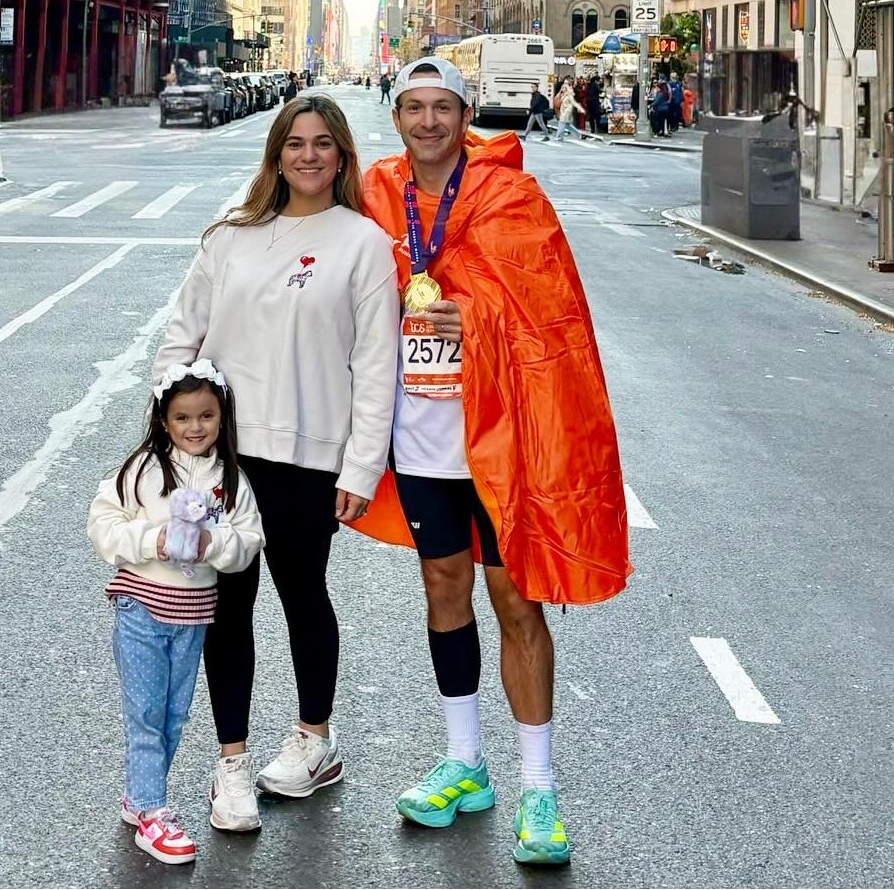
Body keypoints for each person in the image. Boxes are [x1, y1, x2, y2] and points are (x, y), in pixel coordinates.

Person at [356, 57, 631, 867]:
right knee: (443, 585)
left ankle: (538, 788)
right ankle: (464, 763)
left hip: (504, 437)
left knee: (515, 599)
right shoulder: (374, 193)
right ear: (397, 115)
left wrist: (467, 311)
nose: (430, 122)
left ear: (465, 114)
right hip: (418, 437)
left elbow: (550, 312)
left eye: (444, 108)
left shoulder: (512, 195)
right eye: (415, 108)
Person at [152, 94, 400, 833]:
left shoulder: (363, 243)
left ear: (343, 155)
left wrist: (360, 468)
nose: (309, 155)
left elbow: (376, 365)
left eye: (324, 143)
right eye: (295, 143)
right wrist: (176, 432)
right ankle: (231, 763)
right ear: (275, 154)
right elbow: (179, 338)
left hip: (308, 458)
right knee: (226, 609)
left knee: (303, 596)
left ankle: (315, 741)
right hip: (225, 462)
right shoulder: (229, 238)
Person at [88, 361, 265, 865]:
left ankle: (139, 797)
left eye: (206, 416)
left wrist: (213, 542)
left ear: (221, 418)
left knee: (172, 714)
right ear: (164, 421)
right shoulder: (143, 469)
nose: (194, 427)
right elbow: (103, 523)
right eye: (183, 417)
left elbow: (250, 540)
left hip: (193, 617)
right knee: (145, 714)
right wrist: (152, 539)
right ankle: (151, 811)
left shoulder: (230, 480)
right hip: (140, 607)